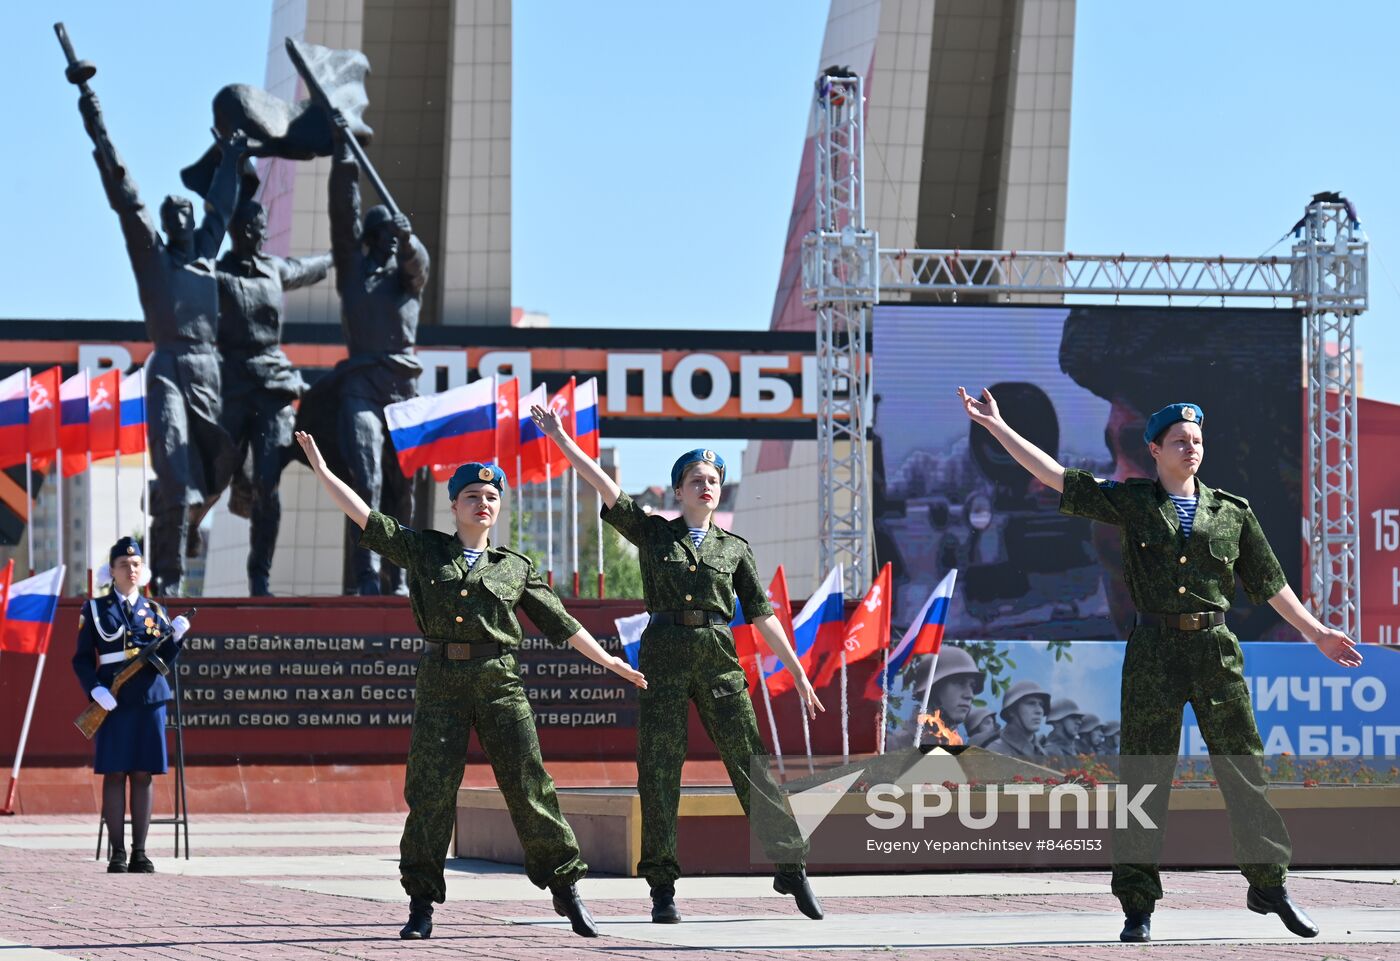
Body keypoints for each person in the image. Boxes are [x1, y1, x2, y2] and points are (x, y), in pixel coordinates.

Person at [959, 387, 1363, 943]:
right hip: (1153, 651)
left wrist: (1316, 633)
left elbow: (1271, 583)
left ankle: (1269, 885)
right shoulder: (1132, 501)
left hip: (1215, 650)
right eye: (1179, 440)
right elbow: (1056, 476)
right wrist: (997, 429)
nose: (1191, 448)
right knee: (1146, 779)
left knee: (1243, 769)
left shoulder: (1231, 513)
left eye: (1197, 440)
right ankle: (1137, 904)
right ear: (1154, 449)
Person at [295, 431, 642, 939]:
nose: (483, 504)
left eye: (492, 497)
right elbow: (365, 516)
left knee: (529, 787)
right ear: (454, 505)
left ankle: (566, 889)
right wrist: (324, 473)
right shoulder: (425, 550)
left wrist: (611, 662)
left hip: (500, 680)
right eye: (473, 497)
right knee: (431, 793)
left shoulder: (515, 568)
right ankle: (420, 903)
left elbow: (563, 624)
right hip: (441, 681)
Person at [531, 405, 825, 924]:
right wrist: (562, 440)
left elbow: (761, 615)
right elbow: (605, 487)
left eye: (713, 480)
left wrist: (797, 669)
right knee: (660, 773)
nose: (705, 487)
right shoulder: (653, 534)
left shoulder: (734, 549)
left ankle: (791, 866)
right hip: (664, 655)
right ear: (678, 490)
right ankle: (662, 886)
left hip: (717, 658)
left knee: (750, 765)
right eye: (695, 480)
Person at [76, 92, 245, 594]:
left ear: (192, 224)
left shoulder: (206, 257)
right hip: (168, 364)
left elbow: (224, 203)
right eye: (168, 218)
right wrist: (98, 124)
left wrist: (234, 158)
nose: (175, 222)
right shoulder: (154, 260)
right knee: (174, 463)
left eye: (183, 217)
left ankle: (184, 523)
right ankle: (167, 577)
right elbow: (125, 197)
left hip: (207, 368)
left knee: (211, 474)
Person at [295, 115, 428, 596]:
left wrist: (409, 238)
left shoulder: (409, 278)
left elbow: (418, 264)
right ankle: (367, 576)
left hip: (404, 391)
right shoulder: (354, 273)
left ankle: (400, 576)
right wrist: (344, 151)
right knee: (366, 479)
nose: (392, 248)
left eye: (397, 242)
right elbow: (343, 213)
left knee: (403, 489)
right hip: (361, 388)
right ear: (371, 240)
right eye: (386, 239)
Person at [216, 199, 332, 596]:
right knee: (211, 473)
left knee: (269, 483)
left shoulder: (274, 269)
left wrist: (339, 255)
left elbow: (308, 268)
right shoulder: (217, 274)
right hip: (232, 387)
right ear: (235, 230)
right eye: (251, 227)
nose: (259, 234)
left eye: (262, 227)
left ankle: (259, 575)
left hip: (273, 390)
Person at [71, 537, 188, 872]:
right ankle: (118, 853)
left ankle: (140, 852)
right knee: (114, 772)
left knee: (142, 774)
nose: (131, 570)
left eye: (136, 564)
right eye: (124, 564)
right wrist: (95, 690)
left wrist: (176, 639)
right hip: (112, 701)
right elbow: (80, 660)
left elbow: (163, 661)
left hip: (150, 699)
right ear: (113, 570)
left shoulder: (155, 611)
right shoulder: (94, 609)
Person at [892, 644, 986, 748]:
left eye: (972, 686)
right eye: (960, 682)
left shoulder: (957, 746)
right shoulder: (896, 745)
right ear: (933, 689)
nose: (970, 695)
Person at [983, 680, 1048, 756]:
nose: (1039, 711)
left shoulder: (1041, 753)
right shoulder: (995, 751)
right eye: (1031, 703)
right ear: (1011, 711)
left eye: (1041, 705)